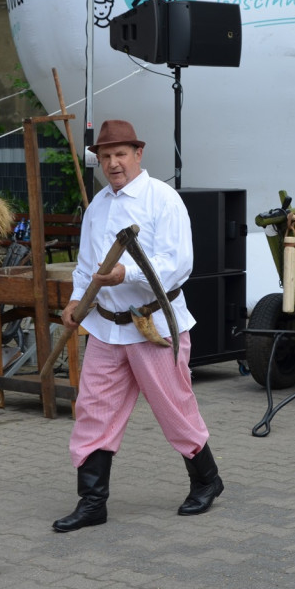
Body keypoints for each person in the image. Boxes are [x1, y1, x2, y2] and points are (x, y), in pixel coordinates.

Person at [52, 119, 223, 533]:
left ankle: (207, 480)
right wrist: (77, 299)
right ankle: (92, 502)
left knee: (172, 407)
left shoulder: (162, 200)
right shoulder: (98, 207)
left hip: (153, 325)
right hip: (107, 329)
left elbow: (179, 263)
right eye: (105, 156)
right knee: (92, 410)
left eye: (120, 154)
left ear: (138, 154)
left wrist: (126, 272)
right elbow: (87, 267)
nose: (113, 163)